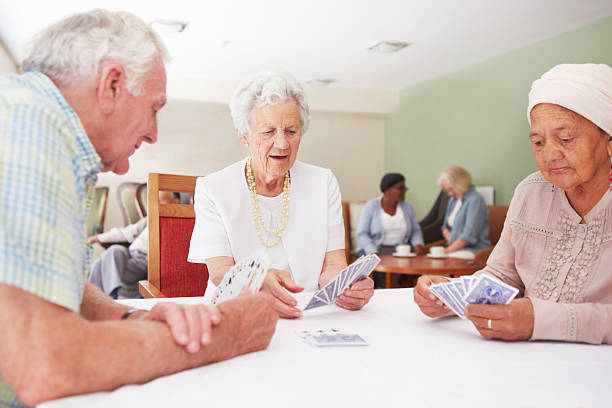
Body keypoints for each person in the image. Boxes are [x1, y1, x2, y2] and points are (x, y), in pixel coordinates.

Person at [0, 10, 277, 407]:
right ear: (112, 84)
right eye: (154, 108)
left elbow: (57, 288)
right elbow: (46, 362)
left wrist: (132, 319)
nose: (153, 132)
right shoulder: (32, 130)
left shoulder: (33, 121)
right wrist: (229, 333)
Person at [414, 63, 612, 344]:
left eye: (566, 139)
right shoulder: (530, 192)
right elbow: (502, 274)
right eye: (539, 142)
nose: (550, 154)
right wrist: (453, 293)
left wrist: (539, 321)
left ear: (609, 141)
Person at [188, 71, 374, 318]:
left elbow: (333, 266)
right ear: (244, 135)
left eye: (291, 131)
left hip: (304, 314)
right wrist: (256, 280)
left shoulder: (323, 182)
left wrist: (347, 287)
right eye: (268, 132)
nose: (282, 144)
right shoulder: (213, 188)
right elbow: (220, 271)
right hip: (238, 313)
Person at [87, 191, 179, 299]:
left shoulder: (175, 223)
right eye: (155, 201)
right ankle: (92, 297)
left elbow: (174, 248)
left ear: (175, 202)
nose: (156, 204)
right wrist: (97, 238)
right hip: (129, 254)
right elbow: (125, 232)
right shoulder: (147, 220)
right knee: (114, 250)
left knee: (99, 264)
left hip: (145, 261)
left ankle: (109, 297)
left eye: (161, 201)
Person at [356, 173, 424, 287]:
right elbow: (362, 233)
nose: (404, 191)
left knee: (413, 264)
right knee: (385, 269)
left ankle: (402, 292)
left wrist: (418, 244)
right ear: (387, 190)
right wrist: (372, 251)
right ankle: (386, 290)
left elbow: (416, 231)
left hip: (401, 250)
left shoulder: (407, 207)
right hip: (377, 248)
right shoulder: (371, 206)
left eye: (404, 188)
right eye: (400, 188)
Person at [437, 165, 491, 259]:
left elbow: (468, 237)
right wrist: (450, 240)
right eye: (447, 190)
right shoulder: (453, 200)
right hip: (455, 249)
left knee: (442, 260)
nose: (450, 194)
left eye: (451, 189)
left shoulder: (476, 201)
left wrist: (446, 251)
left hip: (474, 250)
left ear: (460, 184)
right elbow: (445, 227)